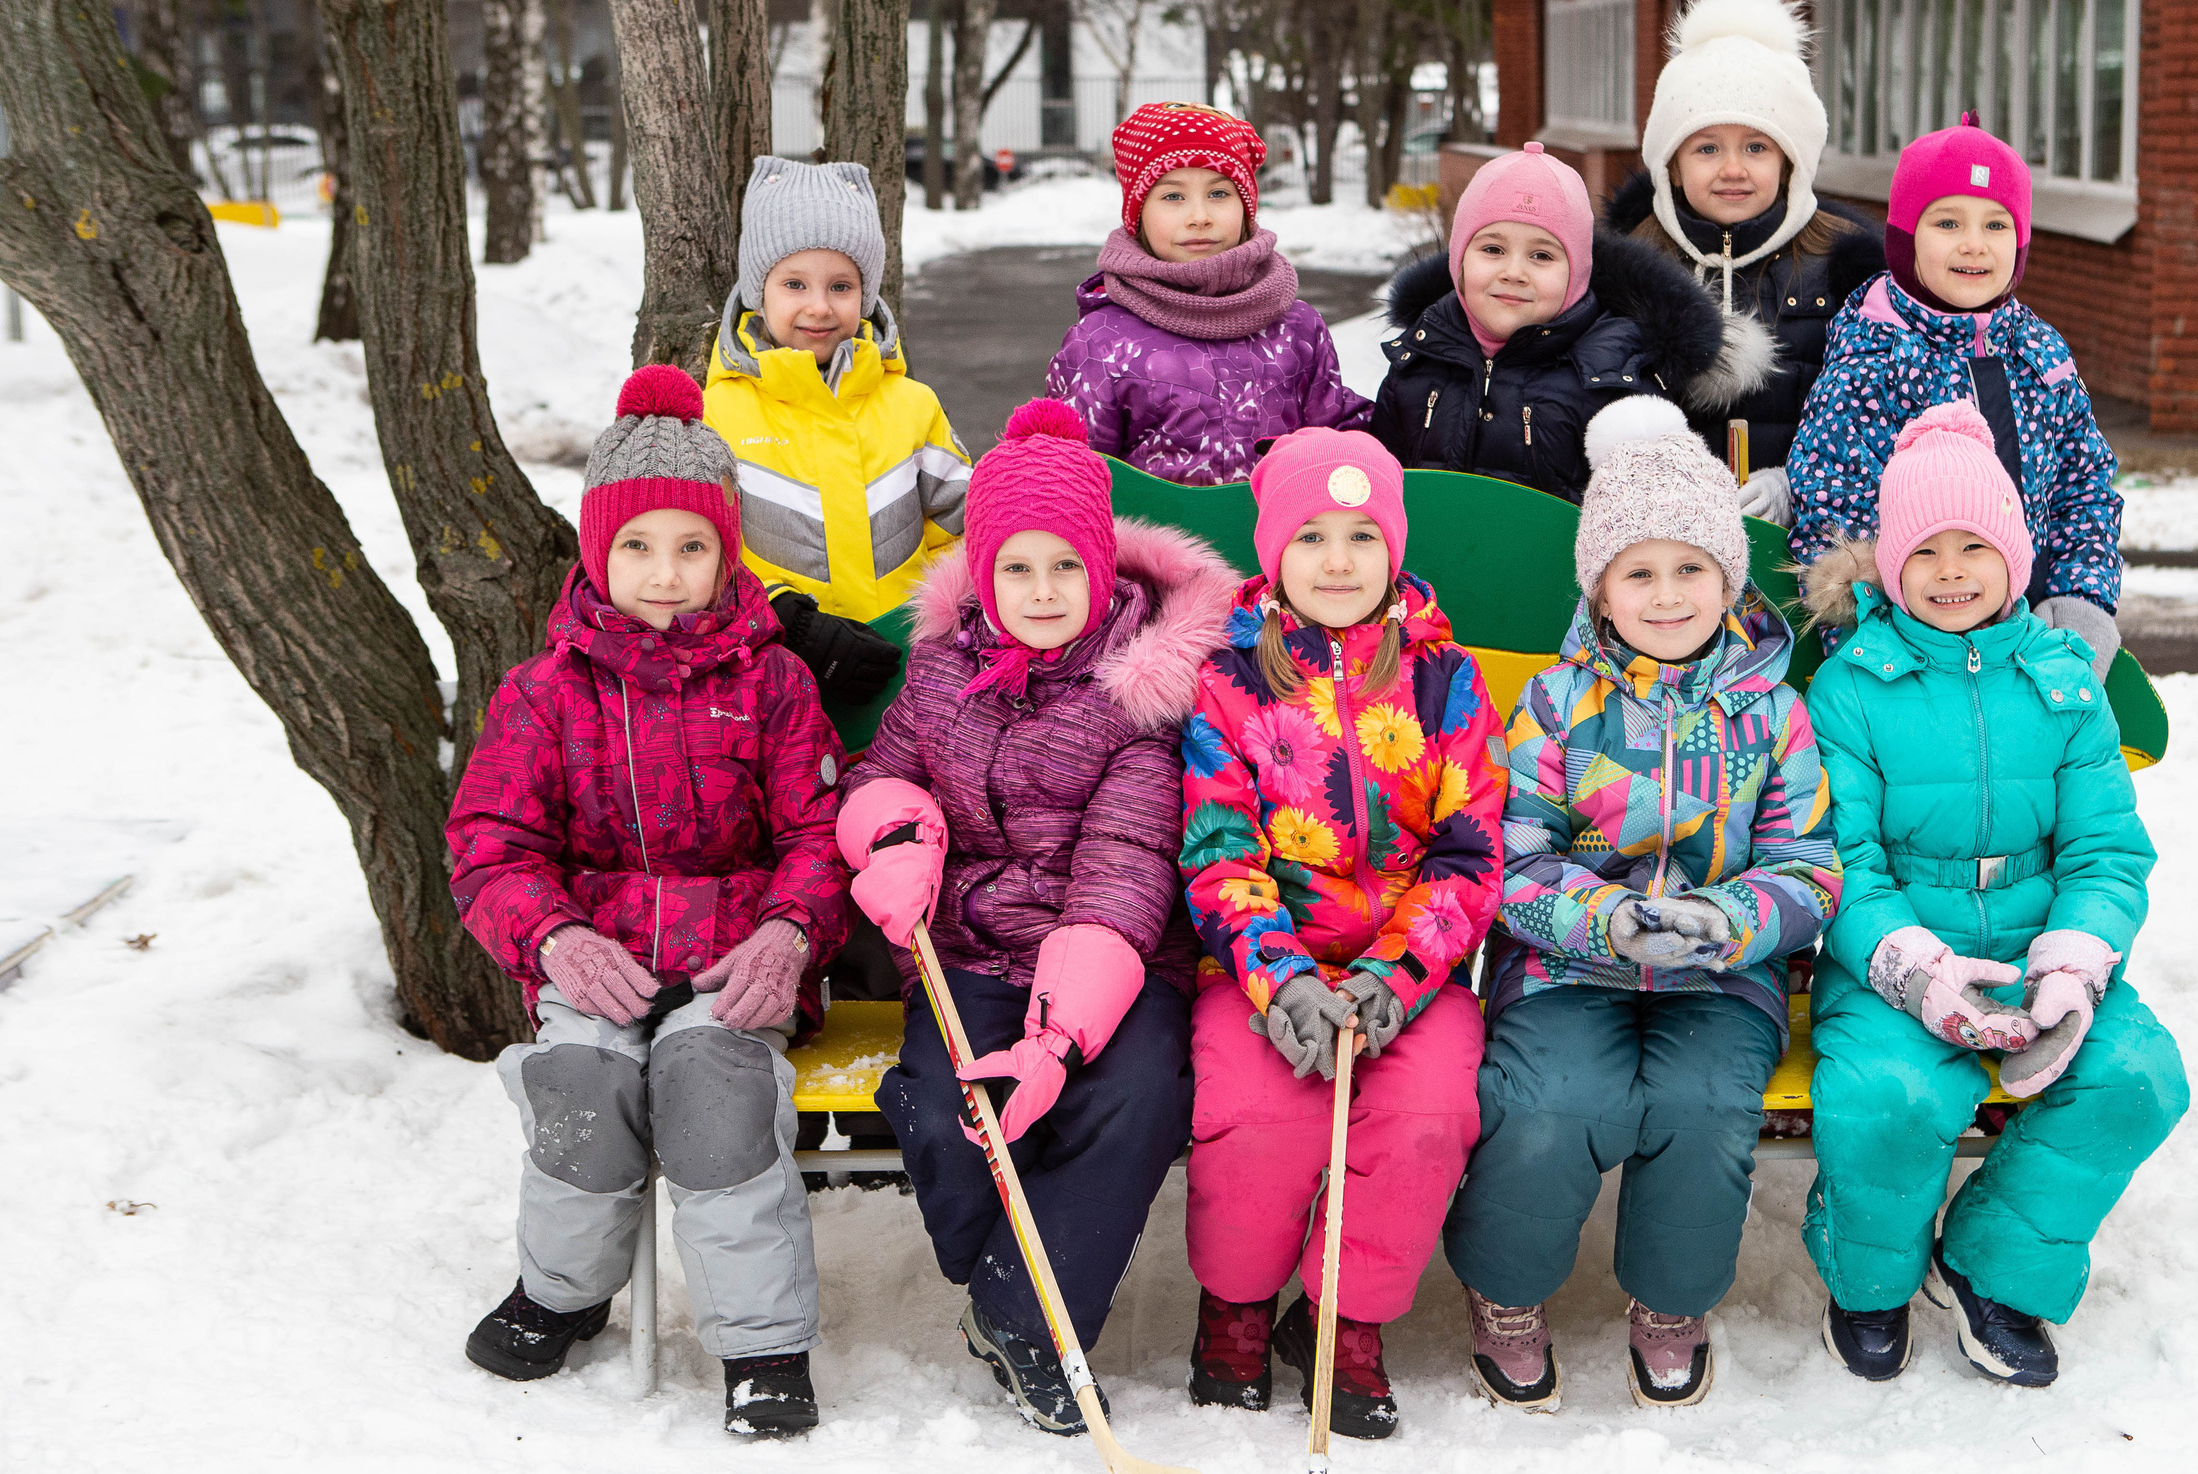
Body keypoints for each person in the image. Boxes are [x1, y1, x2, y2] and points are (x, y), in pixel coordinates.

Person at [447, 366, 850, 1439]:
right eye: (637, 546)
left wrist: (789, 931)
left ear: (726, 555)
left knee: (711, 1087)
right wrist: (552, 933)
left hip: (733, 968)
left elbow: (821, 835)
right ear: (596, 550)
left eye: (690, 547)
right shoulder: (544, 693)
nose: (663, 574)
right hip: (600, 960)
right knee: (581, 1086)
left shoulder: (772, 685)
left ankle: (761, 1342)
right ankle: (562, 1295)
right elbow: (489, 845)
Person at [833, 398, 1235, 1436]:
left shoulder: (1141, 694)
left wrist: (1057, 1038)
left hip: (1115, 960)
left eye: (1067, 567)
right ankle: (1006, 1287)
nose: (1044, 591)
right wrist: (892, 836)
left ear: (1102, 571)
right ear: (982, 574)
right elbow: (883, 774)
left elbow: (1125, 863)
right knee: (945, 1100)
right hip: (966, 949)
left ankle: (1029, 1321)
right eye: (1019, 568)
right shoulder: (940, 674)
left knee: (1136, 1094)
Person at [1443, 397, 1840, 1414]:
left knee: (1701, 1106)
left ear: (1727, 580)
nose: (1667, 596)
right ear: (1601, 589)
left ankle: (1671, 1302)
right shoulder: (1554, 704)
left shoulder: (1773, 713)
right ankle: (1507, 1287)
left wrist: (1731, 921)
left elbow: (1808, 865)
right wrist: (1599, 920)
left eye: (1690, 570)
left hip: (1719, 976)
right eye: (1639, 573)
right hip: (1569, 967)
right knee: (1550, 1101)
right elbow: (1510, 861)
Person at [1795, 401, 2186, 1388]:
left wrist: (2072, 964)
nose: (1952, 571)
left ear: (2013, 556)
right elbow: (1843, 861)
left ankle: (1991, 1264)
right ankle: (1869, 1279)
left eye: (1976, 545)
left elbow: (2104, 852)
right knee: (1885, 1097)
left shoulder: (2062, 682)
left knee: (2134, 1078)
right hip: (1897, 959)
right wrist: (1916, 971)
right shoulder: (1852, 687)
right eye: (1926, 551)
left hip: (2033, 946)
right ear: (1890, 566)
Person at [1178, 427, 1505, 1439]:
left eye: (1361, 536)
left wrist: (1395, 978)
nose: (1335, 561)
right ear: (1274, 552)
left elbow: (1467, 852)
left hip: (1408, 973)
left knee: (1426, 1116)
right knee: (1254, 1114)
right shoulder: (1231, 682)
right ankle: (1233, 1307)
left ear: (1393, 550)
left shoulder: (1446, 682)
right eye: (1311, 536)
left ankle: (1341, 1321)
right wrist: (1279, 980)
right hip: (1263, 970)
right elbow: (1218, 853)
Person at [1785, 118, 2126, 680]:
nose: (1974, 244)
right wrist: (1877, 644)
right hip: (1916, 648)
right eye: (1947, 222)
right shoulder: (1874, 360)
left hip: (2033, 643)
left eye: (1996, 224)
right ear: (1904, 237)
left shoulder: (2041, 354)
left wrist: (2077, 608)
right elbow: (1834, 506)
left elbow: (2083, 485)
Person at [705, 155, 972, 730]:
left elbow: (963, 528)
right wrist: (784, 619)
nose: (820, 306)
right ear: (758, 291)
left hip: (908, 678)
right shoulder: (717, 417)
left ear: (867, 294)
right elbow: (700, 552)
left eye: (841, 285)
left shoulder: (911, 406)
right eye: (794, 283)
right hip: (771, 684)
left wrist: (937, 628)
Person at [1604, 0, 1885, 511]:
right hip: (1668, 551)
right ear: (1674, 168)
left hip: (1802, 551)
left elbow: (1880, 418)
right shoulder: (1627, 268)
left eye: (1756, 146)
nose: (1733, 169)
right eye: (1707, 147)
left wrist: (1799, 485)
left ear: (1789, 164)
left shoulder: (1849, 270)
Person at [1372, 142, 1768, 504]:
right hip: (1432, 580)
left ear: (1577, 271)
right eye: (1492, 249)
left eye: (1542, 256)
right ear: (1458, 258)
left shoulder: (1614, 381)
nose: (1514, 272)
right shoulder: (1417, 362)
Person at [1046, 103, 1370, 483]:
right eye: (1172, 197)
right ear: (1138, 215)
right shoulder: (1101, 342)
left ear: (1247, 208)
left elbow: (1337, 442)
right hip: (1150, 541)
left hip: (1275, 541)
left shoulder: (1296, 327)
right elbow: (1068, 480)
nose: (1199, 215)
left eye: (1219, 193)